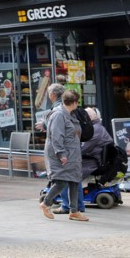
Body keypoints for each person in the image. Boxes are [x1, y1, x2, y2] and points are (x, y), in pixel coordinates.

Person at [40, 90, 88, 222]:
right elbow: (56, 136)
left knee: (74, 180)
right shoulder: (59, 115)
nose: (78, 104)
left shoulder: (69, 114)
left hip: (72, 153)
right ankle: (46, 203)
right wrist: (61, 154)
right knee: (61, 181)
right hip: (61, 154)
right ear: (73, 102)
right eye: (77, 101)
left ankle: (74, 211)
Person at [55, 106, 112, 214]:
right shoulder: (97, 127)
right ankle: (78, 205)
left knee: (66, 173)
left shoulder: (94, 130)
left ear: (88, 118)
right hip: (91, 160)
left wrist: (66, 152)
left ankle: (67, 205)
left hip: (92, 163)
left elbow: (82, 149)